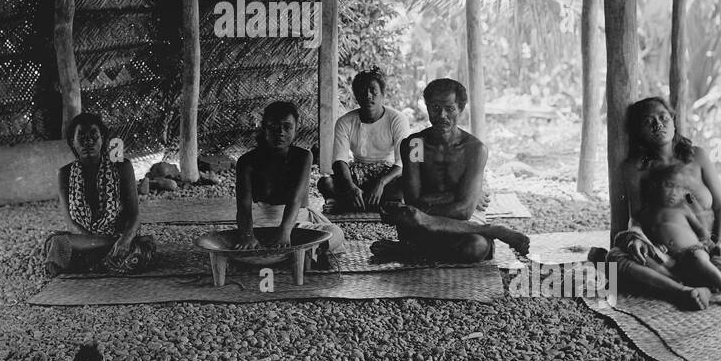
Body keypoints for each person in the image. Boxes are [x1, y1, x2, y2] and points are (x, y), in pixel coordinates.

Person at [372, 78, 530, 263]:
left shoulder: (474, 149)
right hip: (420, 224)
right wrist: (457, 195)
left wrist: (427, 213)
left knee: (475, 247)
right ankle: (491, 230)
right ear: (427, 107)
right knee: (411, 217)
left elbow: (464, 211)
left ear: (461, 109)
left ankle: (410, 252)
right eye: (435, 108)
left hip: (462, 225)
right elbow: (414, 200)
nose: (442, 115)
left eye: (450, 108)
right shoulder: (416, 145)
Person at [611, 96, 721, 310]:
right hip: (664, 253)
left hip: (707, 254)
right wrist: (638, 238)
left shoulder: (697, 156)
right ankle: (684, 291)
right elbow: (636, 217)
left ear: (673, 120)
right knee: (615, 257)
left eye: (663, 118)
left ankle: (676, 285)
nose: (658, 125)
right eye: (648, 121)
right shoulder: (634, 168)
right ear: (638, 131)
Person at [197, 100, 344, 269]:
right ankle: (296, 254)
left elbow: (295, 199)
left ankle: (280, 254)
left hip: (297, 223)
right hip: (261, 224)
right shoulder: (247, 161)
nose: (280, 132)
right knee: (222, 239)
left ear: (296, 127)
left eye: (287, 127)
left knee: (335, 233)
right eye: (273, 126)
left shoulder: (303, 157)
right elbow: (243, 206)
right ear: (264, 127)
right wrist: (247, 235)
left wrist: (285, 231)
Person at [39, 112, 156, 276]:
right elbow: (71, 223)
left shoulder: (122, 167)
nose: (88, 141)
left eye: (94, 135)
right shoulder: (64, 173)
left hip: (118, 238)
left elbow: (134, 216)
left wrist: (125, 240)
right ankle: (107, 259)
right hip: (87, 241)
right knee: (57, 243)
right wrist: (95, 242)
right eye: (81, 136)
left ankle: (94, 262)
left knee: (135, 250)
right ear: (73, 142)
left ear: (103, 139)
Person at [318, 68, 410, 212]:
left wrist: (381, 183)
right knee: (326, 183)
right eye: (362, 91)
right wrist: (351, 187)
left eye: (373, 90)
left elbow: (402, 162)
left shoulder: (397, 119)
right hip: (357, 176)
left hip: (387, 176)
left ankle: (347, 204)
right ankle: (372, 202)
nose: (368, 95)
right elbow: (339, 160)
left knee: (408, 183)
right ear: (356, 96)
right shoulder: (345, 122)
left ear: (382, 94)